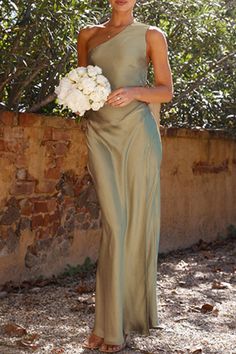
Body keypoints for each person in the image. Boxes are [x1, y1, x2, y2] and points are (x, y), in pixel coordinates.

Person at [77, 0, 173, 352]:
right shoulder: (87, 35)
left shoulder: (151, 35)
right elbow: (82, 84)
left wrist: (133, 91)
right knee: (114, 224)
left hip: (137, 135)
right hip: (99, 135)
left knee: (131, 226)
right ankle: (110, 323)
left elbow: (165, 89)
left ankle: (112, 327)